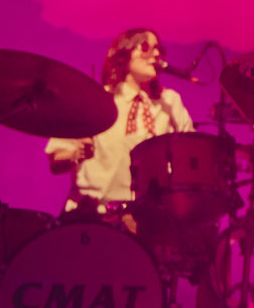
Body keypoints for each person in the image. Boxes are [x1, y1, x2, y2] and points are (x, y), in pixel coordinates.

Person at [44, 28, 195, 213]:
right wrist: (76, 153)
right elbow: (56, 161)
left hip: (150, 215)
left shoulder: (169, 102)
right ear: (124, 55)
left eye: (159, 49)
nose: (156, 54)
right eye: (146, 47)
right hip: (94, 213)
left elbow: (192, 154)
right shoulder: (96, 99)